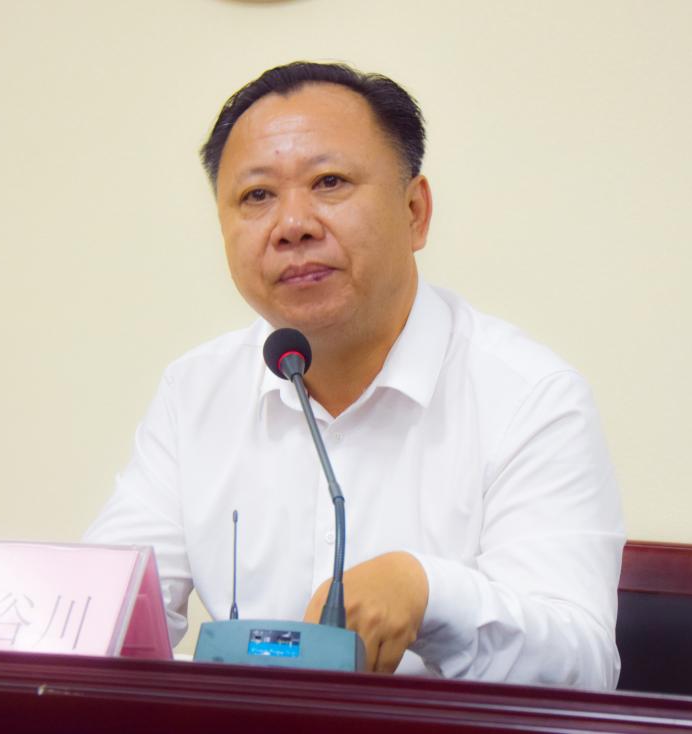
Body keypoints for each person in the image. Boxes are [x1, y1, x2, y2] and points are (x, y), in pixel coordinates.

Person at [84, 61, 624, 689]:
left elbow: (583, 669)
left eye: (330, 182)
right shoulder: (195, 392)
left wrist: (429, 592)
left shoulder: (529, 397)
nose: (293, 226)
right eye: (257, 196)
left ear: (415, 212)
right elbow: (104, 609)